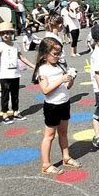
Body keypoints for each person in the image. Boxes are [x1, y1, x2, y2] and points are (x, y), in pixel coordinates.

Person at [32, 37, 81, 175]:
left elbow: (66, 86)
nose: (57, 56)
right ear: (45, 53)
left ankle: (66, 157)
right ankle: (46, 165)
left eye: (59, 53)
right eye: (55, 53)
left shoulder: (59, 65)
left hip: (64, 102)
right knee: (49, 135)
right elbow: (45, 90)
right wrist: (61, 79)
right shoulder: (42, 69)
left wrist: (70, 79)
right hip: (52, 106)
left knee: (64, 132)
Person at [0, 22, 35, 124]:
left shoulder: (16, 45)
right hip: (5, 75)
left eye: (8, 33)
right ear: (0, 34)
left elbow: (22, 57)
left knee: (15, 95)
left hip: (15, 74)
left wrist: (33, 66)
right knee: (5, 95)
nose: (6, 35)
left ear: (11, 33)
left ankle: (16, 112)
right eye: (3, 33)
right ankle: (5, 114)